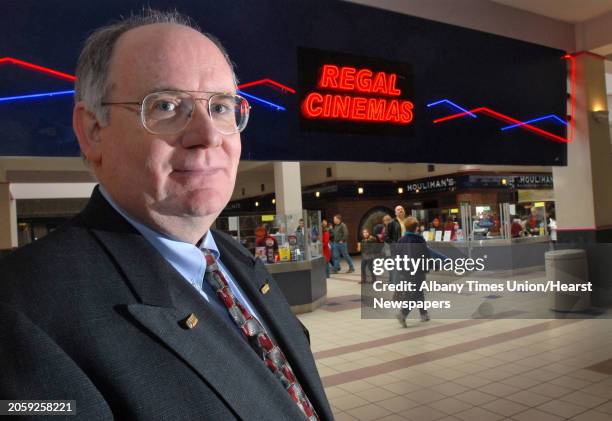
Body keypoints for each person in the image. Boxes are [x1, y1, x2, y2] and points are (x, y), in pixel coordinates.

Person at [0, 10, 331, 421]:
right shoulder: (21, 306)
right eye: (167, 105)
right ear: (92, 131)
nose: (208, 136)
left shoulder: (237, 261)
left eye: (222, 107)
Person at [394, 217, 431, 327]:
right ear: (416, 228)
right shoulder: (419, 239)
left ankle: (424, 314)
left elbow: (398, 255)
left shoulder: (401, 240)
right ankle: (403, 313)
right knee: (416, 293)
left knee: (418, 291)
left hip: (406, 270)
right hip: (418, 269)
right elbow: (426, 254)